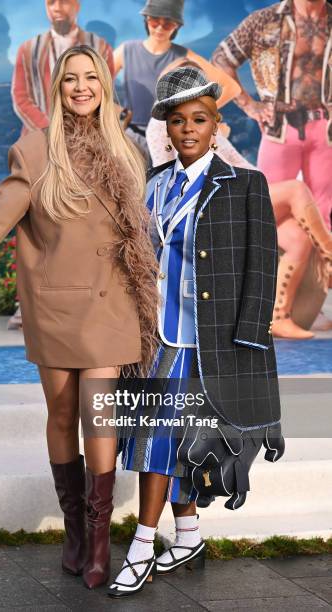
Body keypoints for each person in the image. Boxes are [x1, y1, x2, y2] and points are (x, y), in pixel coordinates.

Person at [0, 45, 159, 590]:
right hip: (58, 304)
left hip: (113, 305)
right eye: (71, 78)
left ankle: (97, 544)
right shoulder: (36, 152)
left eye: (91, 77)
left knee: (101, 416)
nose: (81, 87)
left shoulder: (127, 152)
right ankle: (74, 531)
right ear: (57, 87)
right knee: (64, 415)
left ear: (105, 85)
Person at [108, 66, 283, 598]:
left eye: (199, 120)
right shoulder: (154, 184)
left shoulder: (246, 184)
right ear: (166, 128)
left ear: (217, 126)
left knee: (178, 437)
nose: (187, 129)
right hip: (158, 338)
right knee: (159, 437)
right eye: (177, 121)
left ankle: (142, 542)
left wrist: (250, 336)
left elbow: (263, 262)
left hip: (213, 341)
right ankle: (185, 533)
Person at [147, 58, 332, 339]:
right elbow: (167, 173)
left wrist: (259, 190)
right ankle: (330, 253)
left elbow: (241, 164)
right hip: (207, 204)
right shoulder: (160, 126)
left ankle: (278, 316)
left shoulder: (207, 123)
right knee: (296, 191)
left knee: (297, 236)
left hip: (239, 195)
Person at [211, 0, 332, 336]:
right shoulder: (263, 21)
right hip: (279, 128)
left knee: (322, 218)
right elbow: (221, 59)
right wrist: (248, 105)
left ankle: (306, 307)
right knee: (268, 219)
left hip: (326, 128)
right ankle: (261, 309)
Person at [113, 0, 240, 161]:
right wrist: (117, 112)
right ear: (146, 20)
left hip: (170, 139)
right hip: (131, 138)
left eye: (167, 24)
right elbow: (97, 81)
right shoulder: (126, 50)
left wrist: (198, 114)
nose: (159, 28)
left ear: (176, 26)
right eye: (154, 21)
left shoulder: (184, 56)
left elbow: (231, 87)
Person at [11, 0, 114, 134]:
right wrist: (49, 130)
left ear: (77, 6)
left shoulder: (101, 48)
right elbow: (21, 97)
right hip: (41, 140)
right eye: (51, 3)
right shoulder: (28, 50)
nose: (57, 8)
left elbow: (104, 95)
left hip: (86, 140)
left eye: (64, 2)